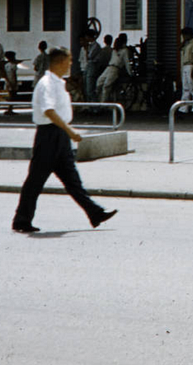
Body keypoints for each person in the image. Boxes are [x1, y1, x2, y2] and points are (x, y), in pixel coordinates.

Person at [11, 47, 117, 234]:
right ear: (60, 62)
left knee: (72, 179)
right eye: (68, 61)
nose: (70, 64)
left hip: (58, 136)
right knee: (36, 180)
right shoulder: (47, 84)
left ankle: (95, 213)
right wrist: (69, 131)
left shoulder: (58, 83)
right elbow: (49, 111)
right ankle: (21, 220)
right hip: (50, 135)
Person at [97, 34, 131, 103]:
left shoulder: (123, 51)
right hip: (110, 67)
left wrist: (130, 73)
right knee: (99, 83)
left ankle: (102, 104)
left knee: (106, 85)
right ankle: (98, 102)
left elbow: (126, 63)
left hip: (115, 68)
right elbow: (127, 63)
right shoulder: (115, 51)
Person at [179, 27, 193, 104]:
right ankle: (184, 106)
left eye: (184, 35)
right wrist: (183, 41)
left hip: (191, 65)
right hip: (185, 65)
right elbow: (179, 48)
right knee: (185, 87)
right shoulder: (186, 44)